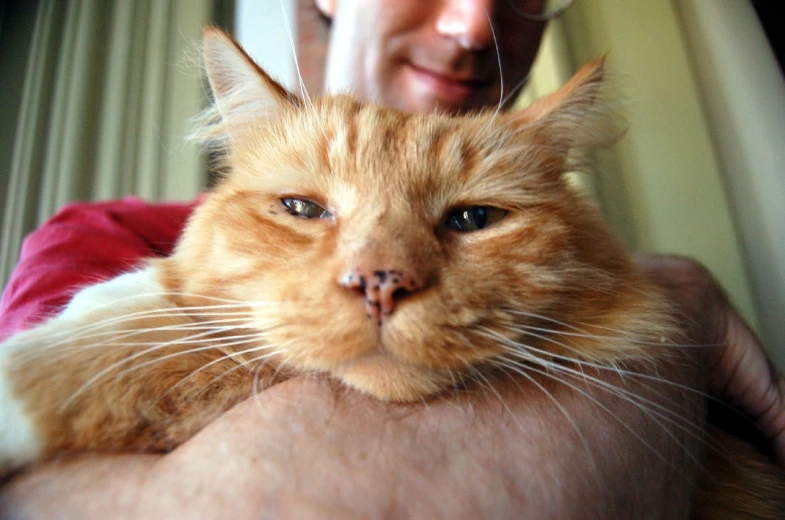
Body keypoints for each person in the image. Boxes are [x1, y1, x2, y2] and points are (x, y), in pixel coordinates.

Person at [1, 0, 783, 517]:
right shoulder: (103, 237)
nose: (475, 22)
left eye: (474, 216)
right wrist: (678, 298)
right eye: (302, 208)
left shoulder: (571, 231)